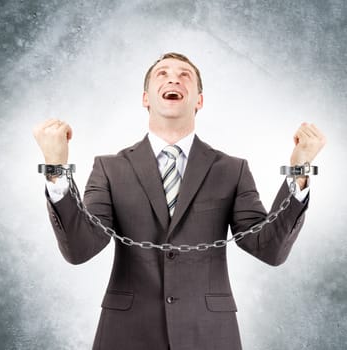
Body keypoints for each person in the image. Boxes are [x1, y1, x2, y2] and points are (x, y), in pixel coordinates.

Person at [33, 52, 326, 350]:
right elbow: (81, 249)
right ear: (146, 98)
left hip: (209, 333)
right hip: (126, 333)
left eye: (185, 75)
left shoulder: (232, 170)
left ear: (199, 100)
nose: (173, 78)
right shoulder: (109, 168)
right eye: (162, 73)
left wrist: (299, 170)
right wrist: (56, 167)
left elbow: (270, 250)